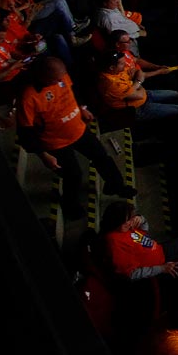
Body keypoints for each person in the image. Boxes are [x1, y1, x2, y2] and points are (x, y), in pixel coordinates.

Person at [16, 56, 134, 227]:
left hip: (78, 128)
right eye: (55, 79)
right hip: (55, 141)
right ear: (43, 76)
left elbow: (72, 92)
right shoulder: (28, 97)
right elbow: (25, 132)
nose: (60, 81)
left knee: (102, 156)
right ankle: (70, 205)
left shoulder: (62, 77)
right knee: (74, 176)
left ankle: (116, 185)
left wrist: (81, 109)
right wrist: (44, 155)